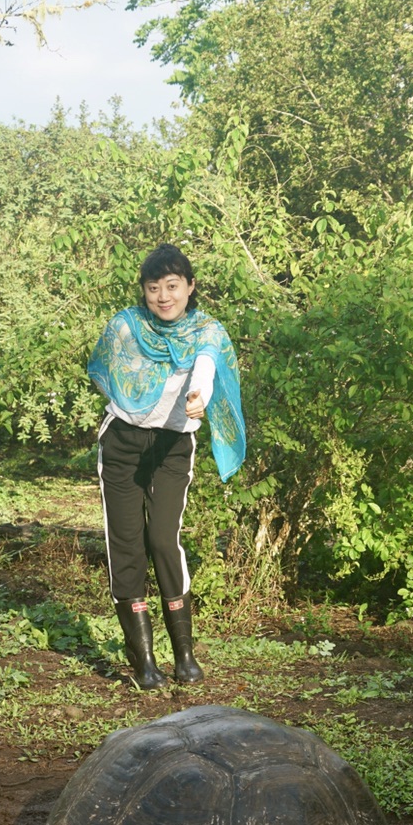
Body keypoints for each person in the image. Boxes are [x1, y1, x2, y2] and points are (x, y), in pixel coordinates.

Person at [85, 244, 245, 689]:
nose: (163, 296)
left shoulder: (206, 331)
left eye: (172, 286)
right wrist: (132, 403)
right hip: (122, 443)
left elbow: (207, 369)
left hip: (173, 446)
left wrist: (199, 398)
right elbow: (102, 370)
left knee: (162, 539)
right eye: (153, 288)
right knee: (127, 546)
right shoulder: (126, 326)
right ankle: (145, 662)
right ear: (144, 291)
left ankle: (185, 656)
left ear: (190, 287)